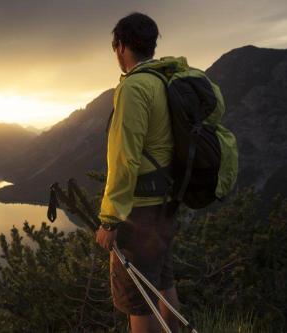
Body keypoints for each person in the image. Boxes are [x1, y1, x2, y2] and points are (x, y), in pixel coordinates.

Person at [96, 12, 181, 333]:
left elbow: (124, 160)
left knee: (137, 299)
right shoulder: (164, 81)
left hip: (139, 212)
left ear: (120, 47)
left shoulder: (134, 88)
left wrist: (110, 220)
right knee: (163, 279)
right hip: (166, 203)